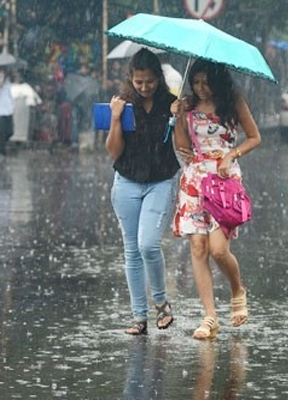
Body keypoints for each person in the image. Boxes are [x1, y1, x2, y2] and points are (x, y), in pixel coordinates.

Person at [171, 60, 261, 340]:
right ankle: (209, 316)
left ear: (218, 81)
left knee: (219, 250)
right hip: (195, 180)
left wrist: (231, 154)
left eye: (205, 82)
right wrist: (177, 119)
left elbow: (254, 137)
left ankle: (237, 288)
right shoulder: (187, 105)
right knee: (198, 247)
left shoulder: (232, 102)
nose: (200, 88)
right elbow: (183, 148)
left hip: (224, 180)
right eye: (195, 82)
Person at [106, 48, 179, 335]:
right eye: (139, 82)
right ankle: (139, 317)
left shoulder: (171, 103)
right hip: (126, 181)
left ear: (158, 78)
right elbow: (113, 151)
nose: (145, 87)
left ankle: (161, 302)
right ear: (130, 79)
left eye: (150, 81)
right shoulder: (123, 105)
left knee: (148, 244)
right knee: (132, 251)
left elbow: (181, 145)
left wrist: (178, 118)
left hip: (161, 180)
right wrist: (115, 118)